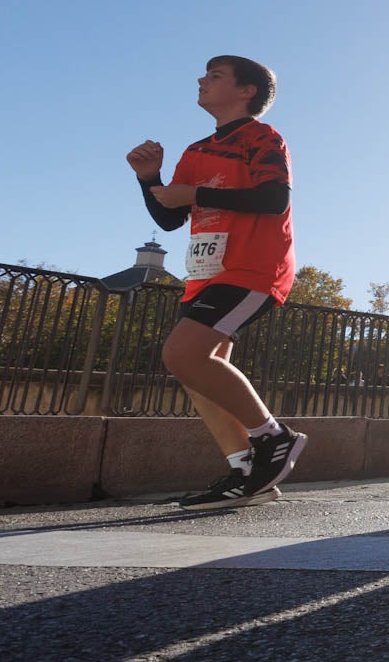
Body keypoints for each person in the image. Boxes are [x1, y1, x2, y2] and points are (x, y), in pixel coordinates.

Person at [126, 55, 306, 510]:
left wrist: (196, 193)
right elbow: (170, 218)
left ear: (246, 91)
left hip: (253, 268)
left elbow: (274, 198)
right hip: (206, 275)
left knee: (182, 354)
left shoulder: (263, 137)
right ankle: (246, 471)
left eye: (215, 76)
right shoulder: (195, 151)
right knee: (196, 371)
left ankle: (274, 438)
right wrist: (149, 179)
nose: (201, 80)